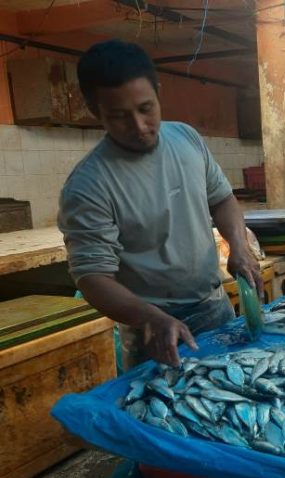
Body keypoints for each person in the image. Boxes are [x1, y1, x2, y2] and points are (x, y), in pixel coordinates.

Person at [58, 40, 262, 369]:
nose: (139, 127)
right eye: (119, 116)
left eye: (146, 108)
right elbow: (92, 278)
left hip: (214, 306)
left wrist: (239, 245)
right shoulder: (88, 185)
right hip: (151, 330)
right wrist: (151, 317)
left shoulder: (187, 139)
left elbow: (222, 198)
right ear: (95, 112)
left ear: (158, 92)